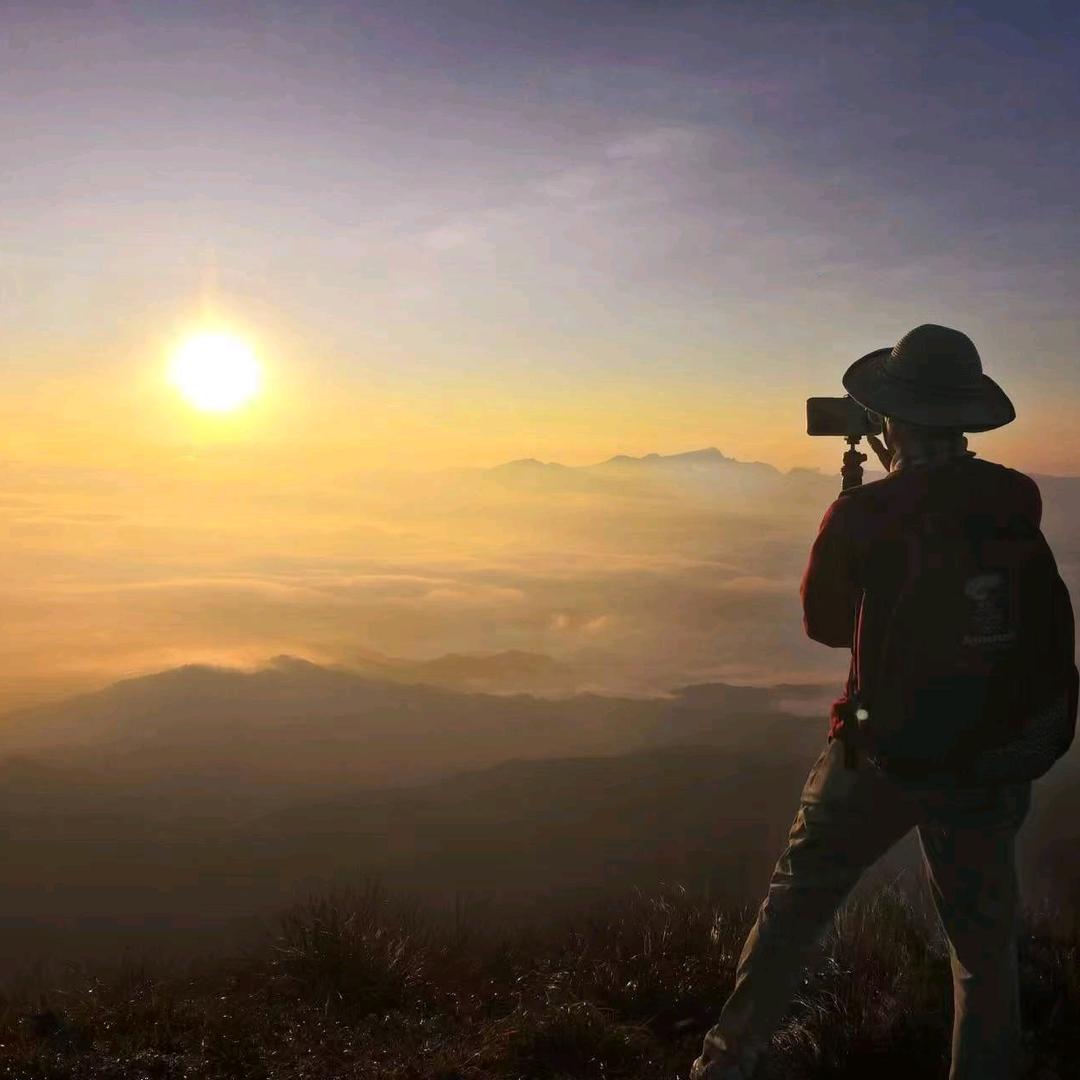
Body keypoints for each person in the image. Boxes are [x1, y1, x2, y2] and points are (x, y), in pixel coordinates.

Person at [690, 324, 1077, 1080]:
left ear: (888, 418)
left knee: (795, 910)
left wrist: (856, 499)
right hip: (990, 753)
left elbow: (828, 626)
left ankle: (726, 1064)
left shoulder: (866, 514)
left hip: (880, 752)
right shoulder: (1015, 495)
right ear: (965, 415)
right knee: (982, 950)